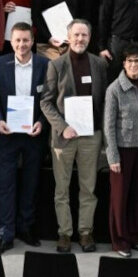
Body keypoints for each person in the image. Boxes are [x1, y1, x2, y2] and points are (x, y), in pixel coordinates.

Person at [40, 20, 108, 253]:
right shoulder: (56, 65)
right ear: (68, 37)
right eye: (76, 35)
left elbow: (103, 100)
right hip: (64, 136)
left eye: (84, 35)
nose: (80, 39)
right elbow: (46, 102)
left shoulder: (99, 64)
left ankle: (85, 232)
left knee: (88, 188)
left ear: (90, 37)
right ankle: (64, 233)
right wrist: (62, 127)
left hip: (91, 136)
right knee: (62, 188)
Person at [0, 23, 47, 252]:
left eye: (26, 40)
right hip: (7, 134)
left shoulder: (44, 64)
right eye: (17, 40)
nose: (22, 44)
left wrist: (41, 121)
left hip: (33, 134)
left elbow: (49, 98)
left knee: (31, 183)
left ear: (33, 41)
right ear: (11, 42)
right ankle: (6, 233)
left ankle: (26, 228)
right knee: (6, 185)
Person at [103, 42, 138, 258]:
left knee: (136, 195)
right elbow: (108, 126)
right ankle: (120, 240)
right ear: (123, 64)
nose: (134, 64)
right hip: (123, 150)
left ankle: (134, 235)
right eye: (130, 61)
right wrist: (112, 156)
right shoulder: (114, 89)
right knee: (120, 197)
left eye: (137, 60)